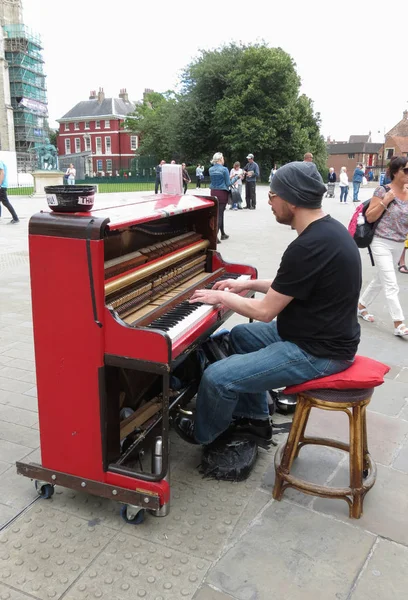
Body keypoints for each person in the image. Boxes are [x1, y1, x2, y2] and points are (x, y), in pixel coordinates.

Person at [174, 161, 361, 448]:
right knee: (240, 336)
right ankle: (254, 418)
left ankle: (207, 433)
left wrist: (223, 296)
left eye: (272, 195)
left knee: (217, 377)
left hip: (319, 352)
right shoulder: (327, 231)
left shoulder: (308, 246)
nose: (270, 202)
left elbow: (264, 312)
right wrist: (246, 284)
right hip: (315, 334)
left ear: (291, 200)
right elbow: (291, 286)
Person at [358, 156, 408, 337]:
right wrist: (385, 200)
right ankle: (399, 323)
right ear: (395, 172)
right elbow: (370, 217)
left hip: (399, 244)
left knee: (381, 279)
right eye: (406, 170)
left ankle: (361, 306)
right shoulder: (382, 190)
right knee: (390, 282)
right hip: (381, 241)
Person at [209, 152, 240, 243]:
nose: (223, 159)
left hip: (213, 192)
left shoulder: (211, 169)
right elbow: (228, 183)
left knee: (218, 213)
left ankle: (222, 233)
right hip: (222, 193)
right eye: (222, 158)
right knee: (220, 214)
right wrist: (237, 177)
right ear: (219, 159)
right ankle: (215, 237)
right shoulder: (224, 169)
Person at [0, 159, 19, 224]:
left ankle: (15, 218)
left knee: (6, 202)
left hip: (1, 186)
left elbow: (2, 173)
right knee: (5, 202)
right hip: (2, 186)